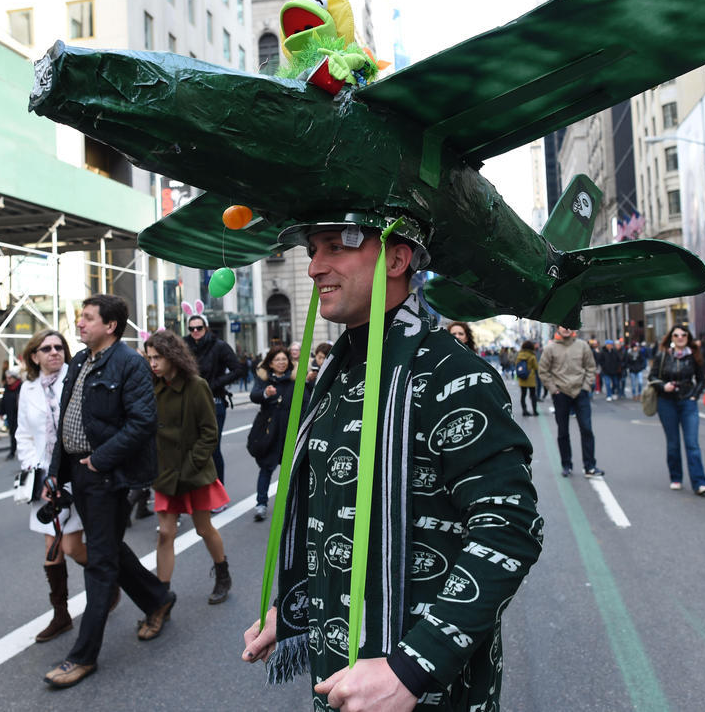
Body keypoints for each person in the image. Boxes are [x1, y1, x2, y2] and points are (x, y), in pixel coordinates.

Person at [242, 216, 542, 711]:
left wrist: (411, 668)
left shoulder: (455, 373)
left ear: (398, 260)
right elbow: (335, 518)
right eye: (314, 250)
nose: (315, 266)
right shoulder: (336, 375)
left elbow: (508, 529)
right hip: (339, 669)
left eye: (335, 247)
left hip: (427, 689)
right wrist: (296, 609)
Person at [42, 294, 176, 689]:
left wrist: (100, 460)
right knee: (110, 548)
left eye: (87, 318)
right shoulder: (80, 361)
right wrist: (55, 475)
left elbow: (142, 423)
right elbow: (66, 420)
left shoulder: (130, 363)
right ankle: (157, 599)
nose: (79, 324)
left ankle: (82, 657)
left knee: (101, 562)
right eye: (80, 317)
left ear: (110, 326)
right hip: (80, 472)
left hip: (105, 475)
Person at [144, 330, 232, 605]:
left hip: (193, 472)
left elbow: (209, 432)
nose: (153, 363)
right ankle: (162, 597)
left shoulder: (196, 385)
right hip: (165, 473)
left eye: (158, 357)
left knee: (203, 528)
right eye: (149, 358)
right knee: (165, 533)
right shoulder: (151, 386)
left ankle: (222, 573)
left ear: (172, 356)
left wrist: (193, 463)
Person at [15, 330, 88, 643]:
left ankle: (109, 577)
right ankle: (61, 614)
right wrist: (37, 470)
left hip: (73, 475)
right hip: (44, 479)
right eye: (46, 348)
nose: (54, 352)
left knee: (71, 547)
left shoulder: (75, 379)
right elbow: (23, 435)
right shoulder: (28, 389)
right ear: (35, 356)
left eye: (59, 347)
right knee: (51, 548)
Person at [184, 313, 245, 485]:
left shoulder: (219, 346)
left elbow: (238, 370)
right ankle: (197, 489)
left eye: (199, 328)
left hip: (214, 400)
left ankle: (218, 490)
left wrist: (214, 384)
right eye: (191, 328)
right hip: (190, 402)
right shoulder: (183, 345)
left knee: (212, 448)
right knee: (191, 447)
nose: (195, 331)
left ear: (206, 328)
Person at [650, 326, 705, 496]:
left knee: (692, 444)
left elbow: (701, 379)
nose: (680, 337)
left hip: (687, 402)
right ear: (671, 337)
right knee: (673, 443)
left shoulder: (694, 356)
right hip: (666, 403)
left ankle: (700, 483)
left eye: (683, 335)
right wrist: (664, 386)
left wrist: (694, 396)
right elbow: (652, 377)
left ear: (688, 337)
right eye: (676, 335)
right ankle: (676, 477)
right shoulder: (663, 355)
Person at [538, 326, 602, 478]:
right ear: (558, 328)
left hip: (581, 393)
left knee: (587, 429)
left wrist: (586, 387)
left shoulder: (582, 345)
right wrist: (554, 390)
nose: (566, 328)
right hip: (561, 394)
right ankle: (566, 464)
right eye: (562, 325)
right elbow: (543, 371)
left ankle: (590, 466)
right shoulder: (550, 348)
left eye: (569, 325)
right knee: (563, 431)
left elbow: (591, 367)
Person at [248, 345, 299, 521]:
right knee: (266, 468)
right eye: (277, 359)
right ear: (270, 363)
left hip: (289, 430)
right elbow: (254, 395)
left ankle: (289, 505)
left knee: (290, 470)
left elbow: (305, 401)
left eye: (284, 359)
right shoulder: (264, 379)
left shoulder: (296, 380)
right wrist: (265, 393)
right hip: (269, 431)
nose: (281, 362)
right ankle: (261, 504)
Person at [0, 367, 22, 460]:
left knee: (21, 435)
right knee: (13, 434)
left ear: (15, 378)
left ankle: (23, 452)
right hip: (10, 415)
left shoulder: (21, 387)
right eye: (7, 378)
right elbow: (3, 401)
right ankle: (12, 452)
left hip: (20, 416)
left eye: (10, 378)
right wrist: (1, 412)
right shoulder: (7, 388)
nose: (8, 380)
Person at [515, 340, 539, 416]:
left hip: (522, 377)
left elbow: (516, 365)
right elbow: (536, 367)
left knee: (523, 395)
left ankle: (524, 411)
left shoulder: (519, 355)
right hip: (531, 378)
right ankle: (535, 411)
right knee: (533, 395)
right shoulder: (532, 356)